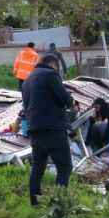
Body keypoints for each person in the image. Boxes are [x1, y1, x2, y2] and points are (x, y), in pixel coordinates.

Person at [22, 53, 74, 206]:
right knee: (64, 167)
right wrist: (71, 101)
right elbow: (64, 98)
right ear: (53, 64)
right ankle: (58, 204)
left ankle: (35, 203)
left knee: (38, 168)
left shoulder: (27, 80)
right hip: (53, 129)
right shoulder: (51, 75)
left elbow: (27, 106)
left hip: (34, 130)